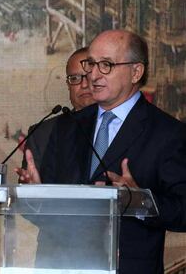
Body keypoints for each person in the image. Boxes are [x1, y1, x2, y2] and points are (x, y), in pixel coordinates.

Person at [40, 29, 186, 273]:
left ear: (136, 72)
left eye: (106, 65)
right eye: (91, 64)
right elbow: (50, 210)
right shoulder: (68, 125)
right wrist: (37, 194)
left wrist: (141, 201)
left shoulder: (168, 134)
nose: (93, 75)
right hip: (63, 265)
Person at [16, 47, 94, 182]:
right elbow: (30, 197)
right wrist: (31, 192)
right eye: (75, 78)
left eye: (90, 76)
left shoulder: (121, 126)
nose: (84, 84)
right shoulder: (41, 133)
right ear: (68, 85)